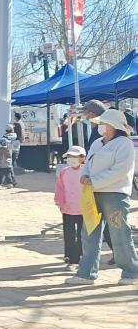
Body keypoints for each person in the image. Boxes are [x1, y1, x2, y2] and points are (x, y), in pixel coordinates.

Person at [66, 109, 138, 286]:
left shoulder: (125, 144)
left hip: (115, 194)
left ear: (113, 125)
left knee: (119, 234)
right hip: (92, 194)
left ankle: (131, 272)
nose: (100, 125)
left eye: (103, 123)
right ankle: (86, 273)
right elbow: (88, 164)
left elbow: (120, 170)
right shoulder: (97, 143)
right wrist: (85, 176)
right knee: (89, 234)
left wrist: (94, 181)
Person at [55, 146, 86, 266]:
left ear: (82, 158)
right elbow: (59, 188)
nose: (71, 159)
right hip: (67, 209)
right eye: (69, 156)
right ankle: (69, 256)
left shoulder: (86, 172)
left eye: (74, 157)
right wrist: (60, 202)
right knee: (69, 234)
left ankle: (78, 255)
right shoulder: (64, 172)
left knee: (81, 234)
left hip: (84, 209)